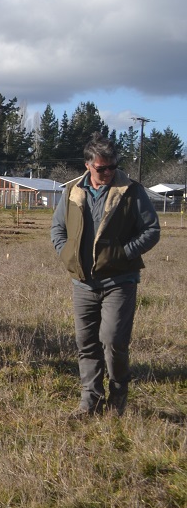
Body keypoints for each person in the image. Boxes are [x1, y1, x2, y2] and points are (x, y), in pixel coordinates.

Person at [50, 133, 160, 416]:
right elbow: (57, 229)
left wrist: (123, 254)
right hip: (83, 283)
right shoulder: (73, 191)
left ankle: (118, 398)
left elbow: (152, 230)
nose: (109, 172)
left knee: (112, 341)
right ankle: (90, 401)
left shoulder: (131, 191)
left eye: (112, 166)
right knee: (86, 343)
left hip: (119, 282)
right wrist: (67, 255)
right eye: (102, 168)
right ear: (88, 165)